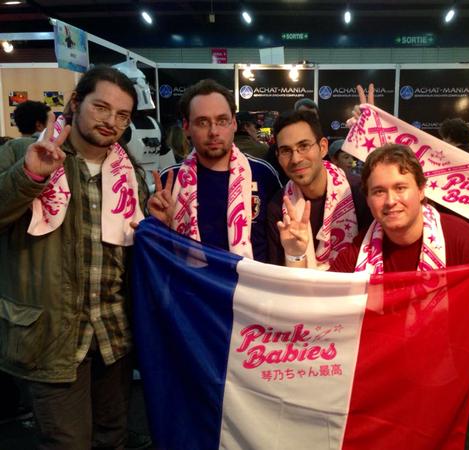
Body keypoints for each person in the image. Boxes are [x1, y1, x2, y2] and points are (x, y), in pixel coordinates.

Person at [0, 65, 146, 449]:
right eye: (101, 108)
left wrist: (157, 228)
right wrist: (30, 176)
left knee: (112, 439)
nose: (110, 121)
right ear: (76, 103)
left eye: (122, 115)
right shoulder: (23, 152)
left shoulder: (129, 173)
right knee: (68, 443)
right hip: (52, 338)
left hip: (114, 337)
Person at [278, 143, 469, 345]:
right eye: (379, 191)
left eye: (401, 187)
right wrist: (296, 254)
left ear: (421, 191)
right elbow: (316, 311)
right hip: (387, 384)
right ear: (367, 199)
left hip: (445, 382)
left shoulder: (459, 239)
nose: (390, 201)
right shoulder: (360, 249)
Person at [149, 79, 281, 263]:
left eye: (222, 121)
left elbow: (278, 245)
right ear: (186, 127)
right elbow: (156, 257)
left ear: (234, 124)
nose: (214, 131)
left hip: (249, 289)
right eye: (202, 122)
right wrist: (159, 228)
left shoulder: (263, 174)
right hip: (190, 288)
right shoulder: (170, 181)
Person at [267, 110, 372, 268]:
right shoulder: (278, 206)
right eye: (286, 151)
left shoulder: (359, 192)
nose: (296, 159)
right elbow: (279, 275)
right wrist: (294, 254)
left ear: (323, 147)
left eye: (304, 146)